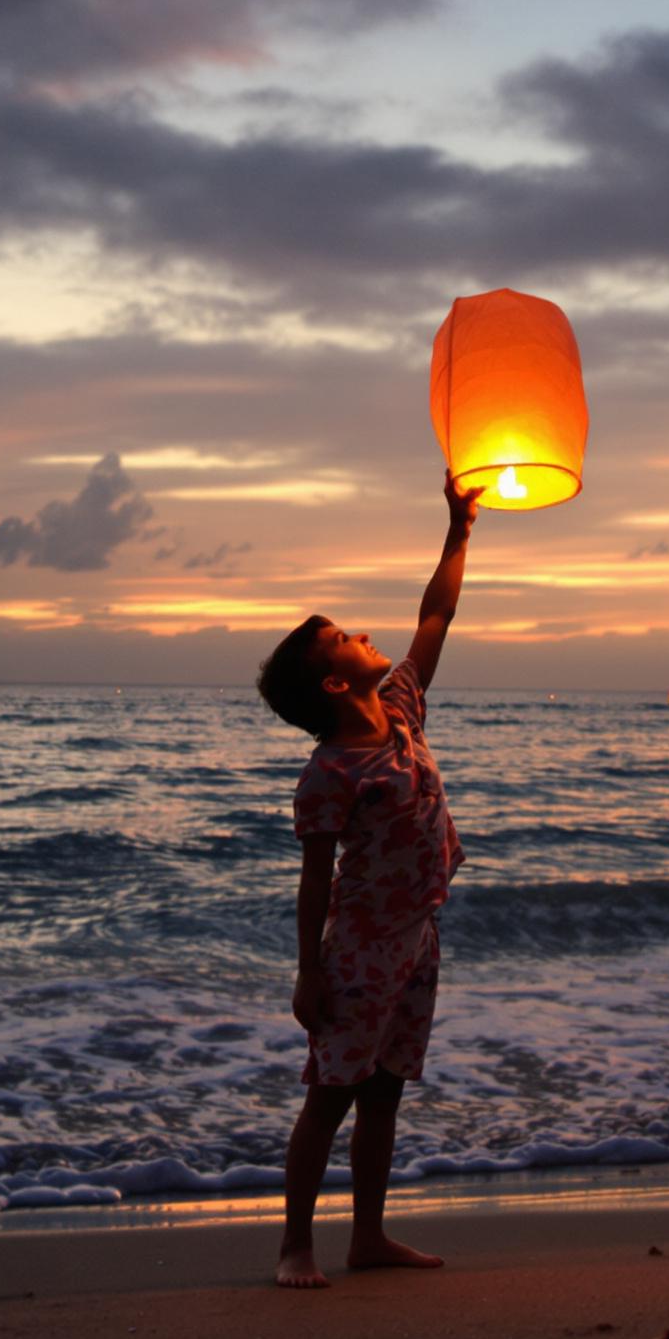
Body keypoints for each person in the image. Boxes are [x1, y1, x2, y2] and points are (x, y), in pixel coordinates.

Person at [255, 472, 481, 1287]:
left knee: (385, 1093)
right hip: (357, 952)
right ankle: (294, 1246)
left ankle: (370, 1237)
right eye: (345, 637)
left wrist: (457, 531)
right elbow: (315, 883)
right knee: (331, 1095)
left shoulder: (404, 707)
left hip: (418, 937)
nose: (362, 635)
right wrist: (310, 971)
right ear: (331, 682)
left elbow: (437, 614)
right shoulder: (328, 774)